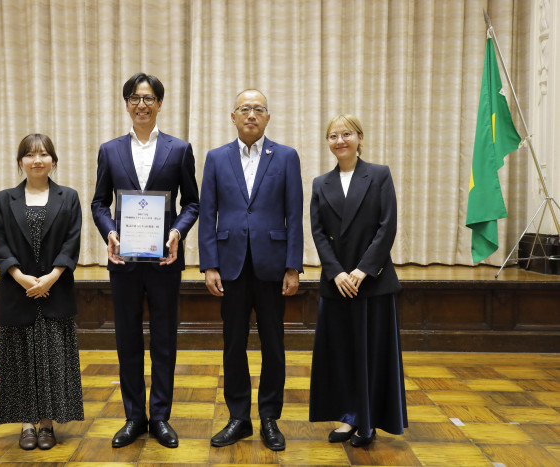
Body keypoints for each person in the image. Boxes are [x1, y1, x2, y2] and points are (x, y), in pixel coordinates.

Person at [91, 72, 199, 449]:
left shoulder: (179, 149)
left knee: (164, 339)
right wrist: (110, 232)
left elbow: (192, 203)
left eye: (149, 98)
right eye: (135, 98)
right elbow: (99, 203)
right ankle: (134, 416)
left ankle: (161, 417)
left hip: (164, 260)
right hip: (124, 262)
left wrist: (177, 232)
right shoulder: (110, 150)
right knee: (128, 340)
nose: (142, 104)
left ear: (159, 104)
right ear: (126, 104)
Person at [198, 89, 303, 451]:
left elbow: (294, 214)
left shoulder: (286, 156)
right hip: (230, 265)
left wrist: (293, 266)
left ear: (268, 117)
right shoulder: (216, 158)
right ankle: (238, 418)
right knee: (233, 345)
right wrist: (209, 264)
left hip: (273, 265)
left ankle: (270, 417)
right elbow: (207, 213)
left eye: (259, 109)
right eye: (244, 109)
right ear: (233, 116)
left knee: (274, 345)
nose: (251, 115)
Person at [309, 114, 407, 448]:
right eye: (333, 136)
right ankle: (348, 417)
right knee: (341, 355)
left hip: (372, 282)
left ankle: (368, 421)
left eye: (347, 134)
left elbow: (387, 226)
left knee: (372, 354)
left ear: (360, 138)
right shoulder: (320, 183)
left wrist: (363, 270)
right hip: (337, 283)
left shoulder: (379, 175)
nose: (340, 141)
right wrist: (337, 272)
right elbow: (318, 232)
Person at [0, 133, 84, 450]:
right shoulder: (3, 200)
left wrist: (51, 278)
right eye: (30, 155)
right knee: (22, 361)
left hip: (56, 291)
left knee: (52, 360)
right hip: (19, 292)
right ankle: (27, 423)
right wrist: (22, 278)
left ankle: (46, 425)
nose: (37, 160)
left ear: (53, 160)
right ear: (20, 162)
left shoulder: (69, 197)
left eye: (43, 154)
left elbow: (72, 241)